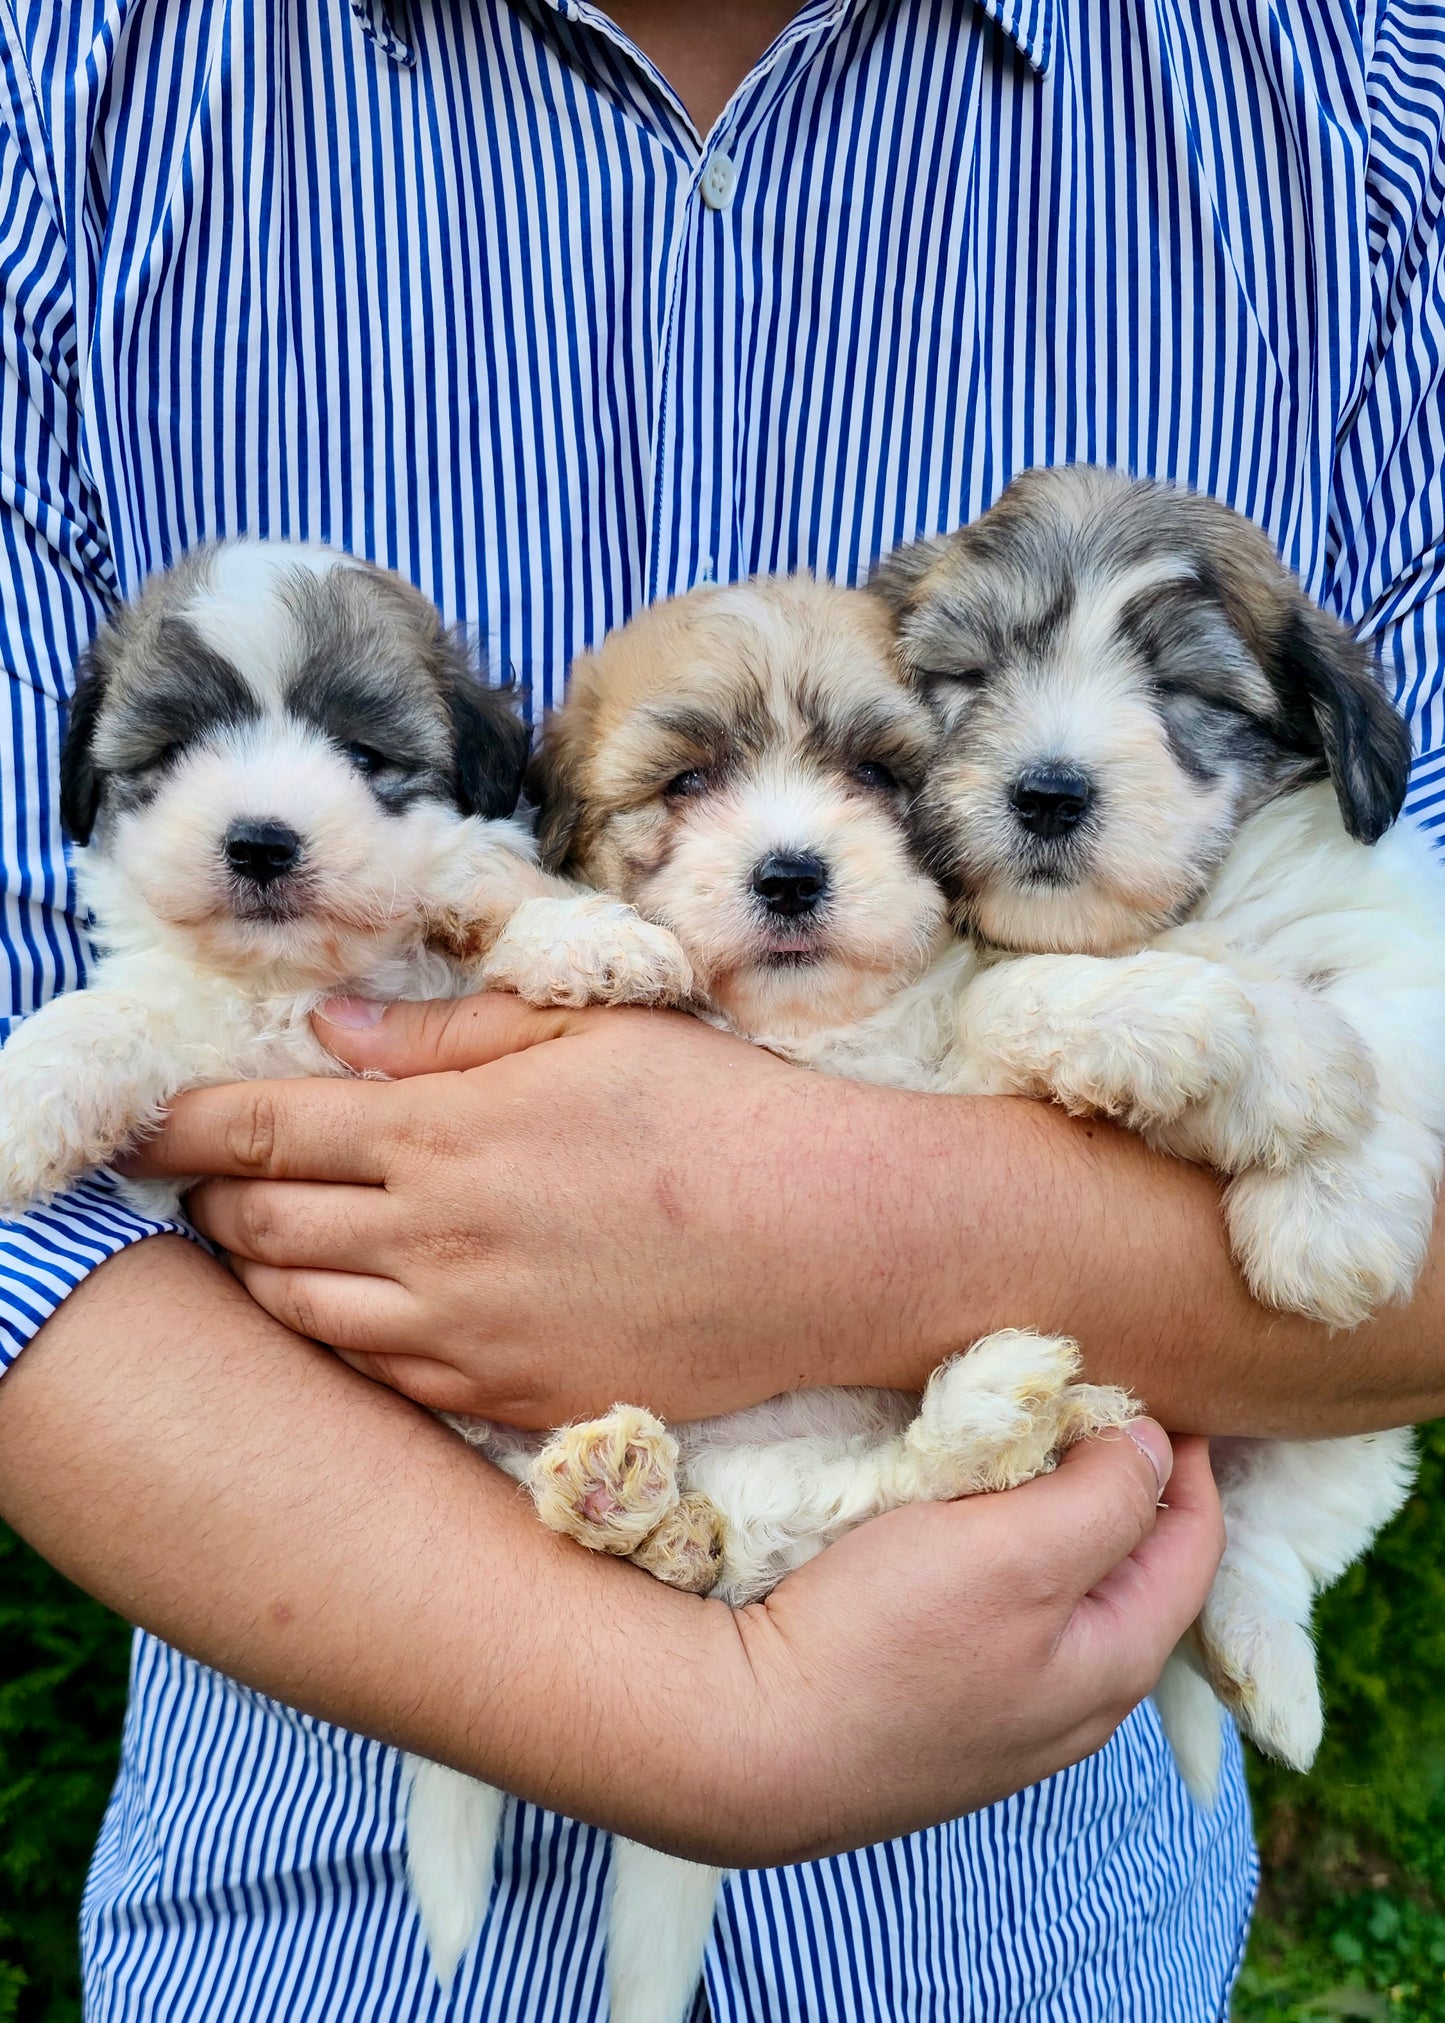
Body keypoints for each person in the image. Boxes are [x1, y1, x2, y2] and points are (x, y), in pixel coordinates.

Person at [0, 0, 1440, 2017]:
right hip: (304, 1932)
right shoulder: (64, 100)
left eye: (882, 756)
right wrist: (695, 1707)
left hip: (1039, 1939)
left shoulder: (1369, 109)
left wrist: (844, 1229)